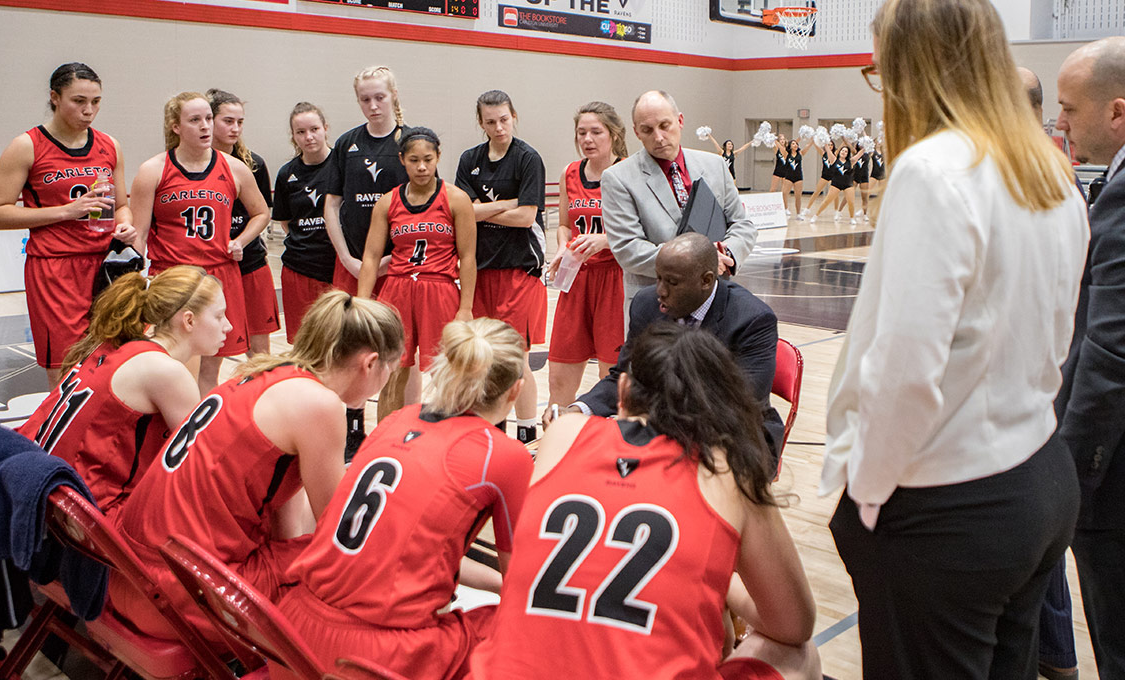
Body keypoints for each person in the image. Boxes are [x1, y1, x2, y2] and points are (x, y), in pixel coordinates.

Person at [822, 1, 1089, 677]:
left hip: (947, 505)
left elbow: (904, 367)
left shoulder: (934, 170)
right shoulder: (1051, 167)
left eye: (881, 70)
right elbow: (1059, 333)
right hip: (1039, 475)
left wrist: (869, 496)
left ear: (918, 68)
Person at [470, 323, 820, 680]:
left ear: (622, 391)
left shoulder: (563, 434)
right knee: (800, 654)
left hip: (506, 672)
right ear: (719, 407)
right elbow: (794, 624)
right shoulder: (728, 471)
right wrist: (722, 579)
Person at [112, 291, 404, 647]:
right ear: (371, 363)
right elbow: (339, 534)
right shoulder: (320, 404)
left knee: (309, 544)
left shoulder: (263, 372)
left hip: (130, 572)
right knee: (373, 570)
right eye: (392, 367)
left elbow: (284, 508)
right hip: (179, 594)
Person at [274, 318, 533, 680]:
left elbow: (410, 552)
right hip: (375, 657)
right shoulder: (505, 455)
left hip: (293, 632)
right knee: (525, 629)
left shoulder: (397, 418)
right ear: (515, 389)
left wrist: (490, 582)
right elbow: (522, 581)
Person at [550, 233, 784, 463]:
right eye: (658, 278)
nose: (660, 290)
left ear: (706, 280)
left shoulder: (752, 319)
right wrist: (580, 410)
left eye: (672, 282)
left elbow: (742, 403)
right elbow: (626, 375)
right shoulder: (646, 304)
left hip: (737, 436)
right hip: (665, 427)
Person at [0, 63, 135, 389]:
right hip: (55, 269)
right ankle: (61, 437)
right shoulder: (27, 145)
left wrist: (125, 226)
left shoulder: (110, 145)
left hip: (107, 264)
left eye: (96, 101)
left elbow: (121, 206)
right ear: (54, 97)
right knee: (67, 368)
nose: (88, 110)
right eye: (79, 101)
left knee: (114, 358)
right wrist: (66, 212)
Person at [17, 266, 217, 517]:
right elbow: (200, 469)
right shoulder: (165, 371)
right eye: (219, 316)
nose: (229, 326)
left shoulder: (116, 341)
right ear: (188, 320)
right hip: (82, 511)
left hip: (37, 481)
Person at [1055, 35, 1125, 680]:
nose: (1061, 123)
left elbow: (1110, 349)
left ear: (1117, 111)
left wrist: (1075, 467)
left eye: (1071, 109)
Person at [130, 92, 269, 397]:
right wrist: (132, 280)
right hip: (173, 278)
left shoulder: (234, 168)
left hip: (219, 275)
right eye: (195, 120)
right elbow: (138, 234)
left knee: (210, 369)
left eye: (208, 118)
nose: (205, 126)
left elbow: (261, 212)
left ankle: (200, 436)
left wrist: (241, 240)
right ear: (175, 126)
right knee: (173, 366)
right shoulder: (152, 170)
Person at [1017, 63, 1080, 680]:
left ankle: (1058, 661)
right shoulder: (1057, 176)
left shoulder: (1034, 180)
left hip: (1042, 399)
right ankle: (1056, 660)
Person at [358, 127, 477, 418]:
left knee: (448, 372)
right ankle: (388, 437)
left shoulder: (457, 199)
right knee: (392, 371)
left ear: (438, 157)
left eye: (427, 159)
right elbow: (372, 257)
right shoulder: (387, 202)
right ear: (402, 160)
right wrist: (361, 303)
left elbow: (469, 257)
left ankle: (453, 439)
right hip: (397, 290)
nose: (421, 166)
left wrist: (466, 308)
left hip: (440, 288)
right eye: (414, 160)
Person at [601, 90, 756, 313]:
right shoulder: (618, 178)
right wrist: (699, 261)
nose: (659, 137)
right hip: (656, 305)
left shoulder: (715, 165)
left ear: (680, 121)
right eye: (647, 130)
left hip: (715, 300)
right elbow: (628, 249)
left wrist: (727, 254)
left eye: (665, 125)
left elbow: (743, 225)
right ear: (636, 132)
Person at [323, 65, 410, 457]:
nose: (373, 105)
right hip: (353, 264)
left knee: (399, 350)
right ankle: (352, 425)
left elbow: (426, 206)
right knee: (350, 346)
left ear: (393, 95)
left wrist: (393, 258)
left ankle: (401, 426)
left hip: (401, 264)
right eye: (365, 99)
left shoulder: (410, 141)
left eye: (380, 97)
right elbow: (332, 205)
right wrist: (347, 256)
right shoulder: (346, 144)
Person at [454, 90, 547, 444]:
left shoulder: (527, 159)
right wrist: (506, 202)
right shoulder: (469, 159)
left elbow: (526, 218)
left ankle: (526, 431)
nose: (498, 127)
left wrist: (486, 208)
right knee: (482, 357)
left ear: (514, 116)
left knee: (514, 357)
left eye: (504, 119)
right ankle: (492, 427)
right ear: (481, 123)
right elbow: (466, 212)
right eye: (490, 122)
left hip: (518, 271)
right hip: (478, 271)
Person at [545, 102, 627, 413]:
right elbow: (565, 225)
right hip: (576, 278)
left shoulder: (628, 172)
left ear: (613, 134)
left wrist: (605, 240)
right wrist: (564, 246)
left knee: (611, 380)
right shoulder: (570, 172)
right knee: (559, 380)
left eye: (596, 132)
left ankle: (606, 453)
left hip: (614, 279)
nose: (588, 139)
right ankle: (555, 446)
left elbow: (643, 233)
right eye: (582, 132)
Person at [208, 89, 278, 356]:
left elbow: (262, 214)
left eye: (240, 122)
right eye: (228, 121)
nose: (235, 128)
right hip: (212, 270)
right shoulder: (190, 165)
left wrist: (240, 241)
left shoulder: (254, 164)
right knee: (211, 354)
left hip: (250, 264)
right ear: (209, 120)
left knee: (259, 352)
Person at [273, 102, 334, 343]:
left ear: (325, 128)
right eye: (301, 132)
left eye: (314, 129)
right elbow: (286, 222)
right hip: (299, 269)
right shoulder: (287, 174)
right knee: (304, 342)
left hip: (337, 268)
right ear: (294, 136)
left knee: (338, 342)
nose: (308, 137)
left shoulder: (343, 167)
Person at [811, 144, 863, 224]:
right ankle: (816, 215)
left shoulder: (851, 161)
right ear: (839, 151)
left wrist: (866, 146)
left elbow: (860, 154)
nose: (844, 152)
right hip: (836, 184)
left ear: (847, 154)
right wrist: (825, 141)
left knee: (851, 202)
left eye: (846, 151)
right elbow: (827, 149)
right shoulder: (834, 159)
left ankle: (852, 218)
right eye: (842, 150)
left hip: (848, 184)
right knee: (827, 201)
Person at [800, 140, 835, 218]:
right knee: (816, 192)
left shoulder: (835, 154)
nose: (830, 146)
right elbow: (816, 146)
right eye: (828, 145)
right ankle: (807, 208)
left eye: (831, 145)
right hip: (825, 176)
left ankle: (837, 212)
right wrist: (813, 139)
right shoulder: (823, 153)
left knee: (835, 195)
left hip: (834, 176)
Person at [782, 139, 805, 216]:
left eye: (796, 144)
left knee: (798, 196)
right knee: (784, 193)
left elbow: (808, 146)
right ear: (790, 146)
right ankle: (785, 209)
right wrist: (774, 140)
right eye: (793, 144)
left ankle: (798, 213)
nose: (795, 145)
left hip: (798, 177)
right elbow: (779, 147)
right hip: (788, 176)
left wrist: (812, 140)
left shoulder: (800, 153)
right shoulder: (786, 154)